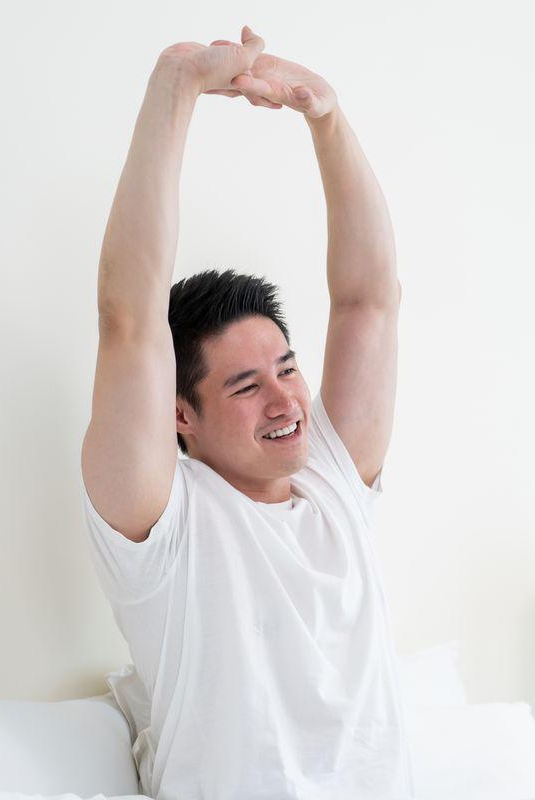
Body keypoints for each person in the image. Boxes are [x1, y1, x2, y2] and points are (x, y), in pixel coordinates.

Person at [78, 26, 410, 800]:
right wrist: (179, 83)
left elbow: (370, 301)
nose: (287, 399)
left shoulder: (333, 483)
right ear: (180, 417)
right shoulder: (162, 528)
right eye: (244, 385)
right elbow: (127, 320)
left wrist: (325, 118)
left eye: (287, 368)